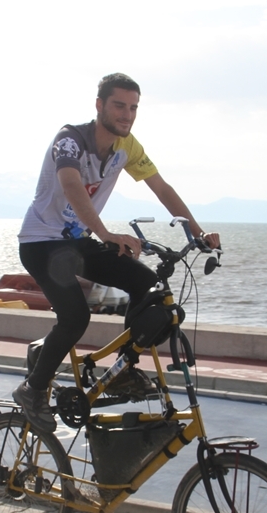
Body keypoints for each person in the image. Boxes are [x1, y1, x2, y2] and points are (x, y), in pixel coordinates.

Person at [13, 72, 221, 433]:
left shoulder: (128, 147)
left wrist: (198, 232)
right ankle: (33, 389)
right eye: (119, 106)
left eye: (134, 108)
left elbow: (161, 186)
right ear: (100, 106)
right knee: (75, 318)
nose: (127, 114)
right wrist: (106, 232)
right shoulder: (70, 141)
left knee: (147, 284)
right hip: (42, 243)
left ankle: (123, 371)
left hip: (77, 242)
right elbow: (71, 184)